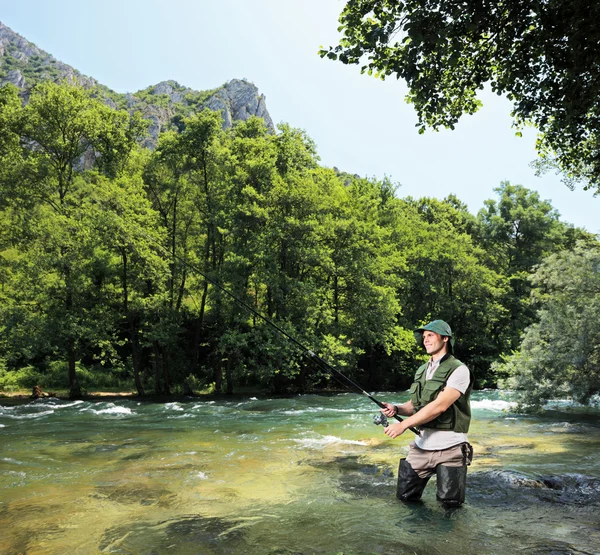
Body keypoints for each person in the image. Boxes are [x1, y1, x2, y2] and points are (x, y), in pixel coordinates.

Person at [380, 319, 473, 507]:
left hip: (451, 449)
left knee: (450, 508)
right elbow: (415, 406)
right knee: (404, 501)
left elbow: (439, 406)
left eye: (430, 335)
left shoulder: (459, 370)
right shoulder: (422, 370)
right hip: (420, 448)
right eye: (424, 337)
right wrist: (397, 409)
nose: (426, 340)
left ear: (445, 338)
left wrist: (403, 425)